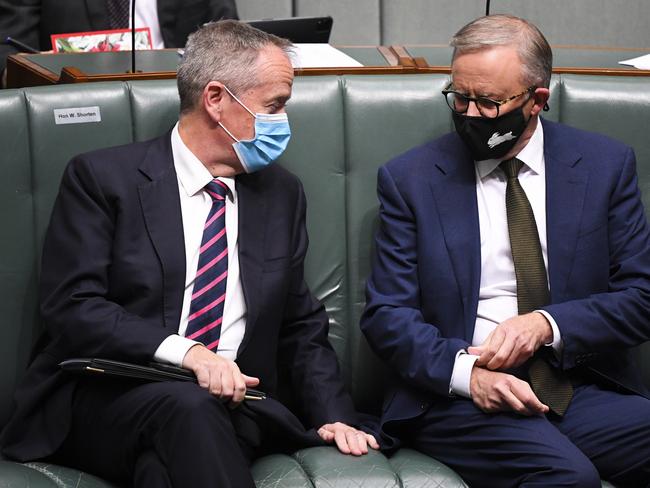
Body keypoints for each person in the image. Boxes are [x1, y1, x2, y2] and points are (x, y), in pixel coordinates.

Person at [0, 19, 377, 487]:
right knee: (190, 408)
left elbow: (299, 323)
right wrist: (191, 354)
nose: (283, 121)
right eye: (274, 105)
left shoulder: (280, 194)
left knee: (165, 463)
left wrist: (334, 415)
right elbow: (74, 308)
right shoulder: (103, 180)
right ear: (216, 100)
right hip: (110, 395)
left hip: (233, 404)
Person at [361, 14, 650, 488]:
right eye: (460, 98)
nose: (469, 115)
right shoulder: (410, 179)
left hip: (576, 387)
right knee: (566, 476)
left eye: (489, 103)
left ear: (537, 100)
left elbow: (641, 297)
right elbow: (388, 316)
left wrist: (546, 325)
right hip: (459, 394)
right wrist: (468, 374)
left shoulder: (604, 166)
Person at [0, 0, 239, 72]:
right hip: (76, 104)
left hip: (178, 99)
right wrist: (42, 68)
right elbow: (7, 54)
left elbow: (230, 44)